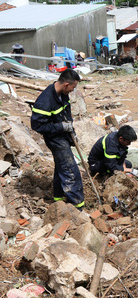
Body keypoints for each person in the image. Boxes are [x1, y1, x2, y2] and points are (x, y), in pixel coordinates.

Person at [30, 69, 85, 209]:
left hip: (62, 135)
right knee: (70, 170)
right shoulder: (45, 101)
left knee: (62, 166)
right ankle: (77, 206)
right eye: (73, 87)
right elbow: (37, 125)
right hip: (54, 138)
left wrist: (71, 131)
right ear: (66, 84)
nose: (73, 91)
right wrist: (60, 127)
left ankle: (59, 198)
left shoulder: (62, 94)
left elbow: (66, 114)